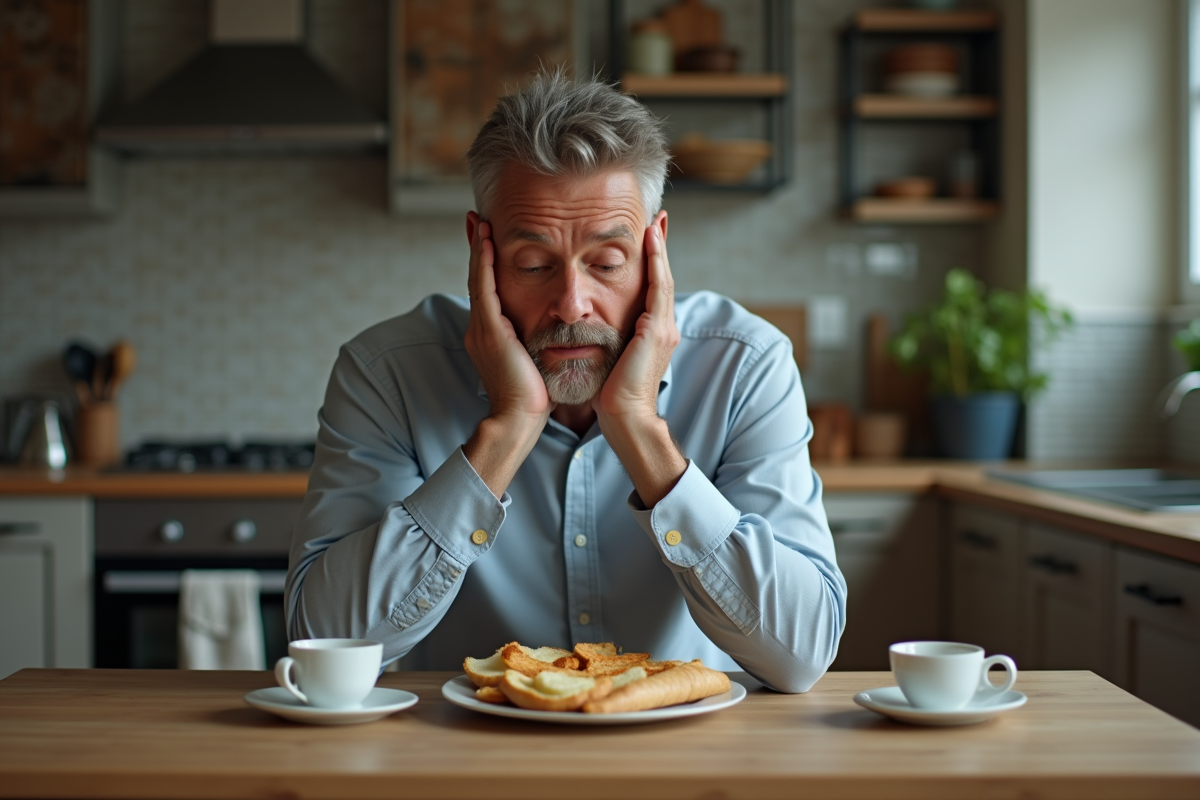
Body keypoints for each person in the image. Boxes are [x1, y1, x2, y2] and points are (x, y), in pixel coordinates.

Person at [286, 69, 845, 693]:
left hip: (682, 768)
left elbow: (801, 657)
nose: (572, 303)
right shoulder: (385, 372)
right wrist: (506, 430)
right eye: (534, 264)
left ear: (655, 247)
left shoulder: (746, 365)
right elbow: (323, 643)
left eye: (607, 262)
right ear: (481, 250)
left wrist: (639, 428)